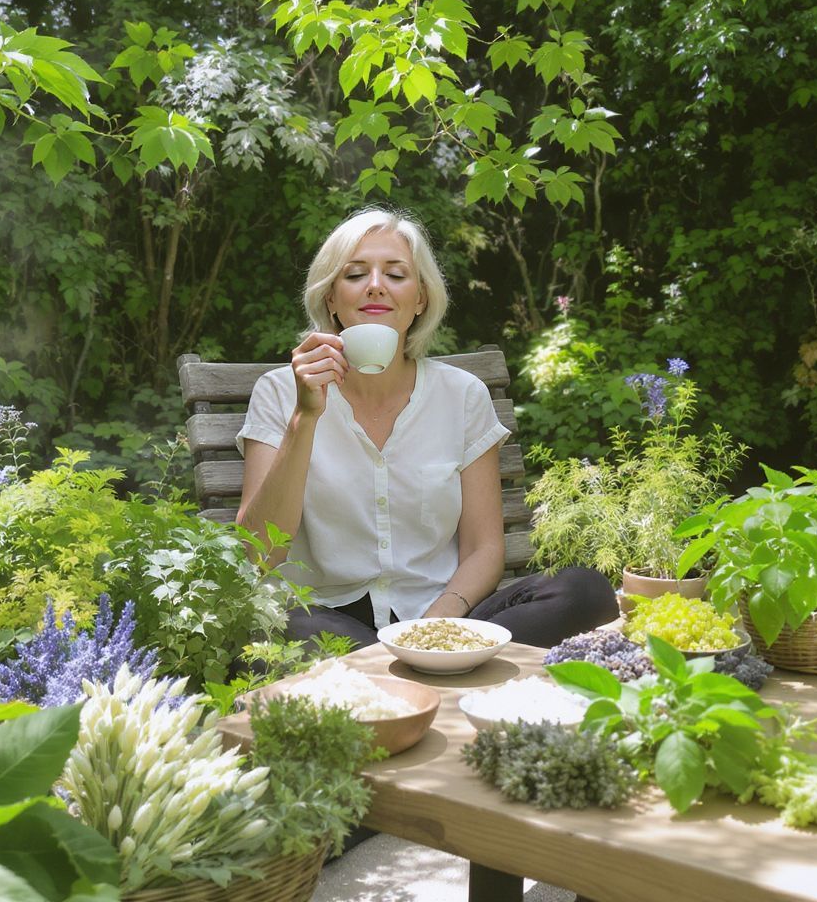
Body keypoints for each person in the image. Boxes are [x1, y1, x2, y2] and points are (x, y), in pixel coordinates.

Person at [236, 207, 617, 650]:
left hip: (444, 615)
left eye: (396, 274)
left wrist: (431, 632)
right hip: (323, 618)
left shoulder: (463, 395)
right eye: (356, 273)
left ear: (420, 300)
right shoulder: (281, 393)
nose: (376, 284)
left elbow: (483, 549)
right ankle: (418, 678)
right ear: (330, 299)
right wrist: (304, 418)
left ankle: (394, 679)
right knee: (284, 632)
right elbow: (259, 554)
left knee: (583, 592)